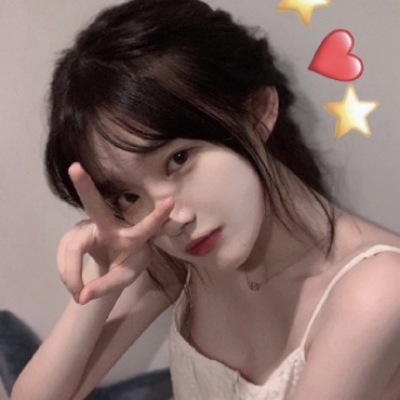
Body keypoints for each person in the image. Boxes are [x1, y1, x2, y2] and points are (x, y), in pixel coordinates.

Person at [10, 0, 400, 399]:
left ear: (258, 112)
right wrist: (103, 276)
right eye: (129, 195)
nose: (171, 218)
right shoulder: (180, 258)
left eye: (178, 159)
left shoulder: (376, 292)